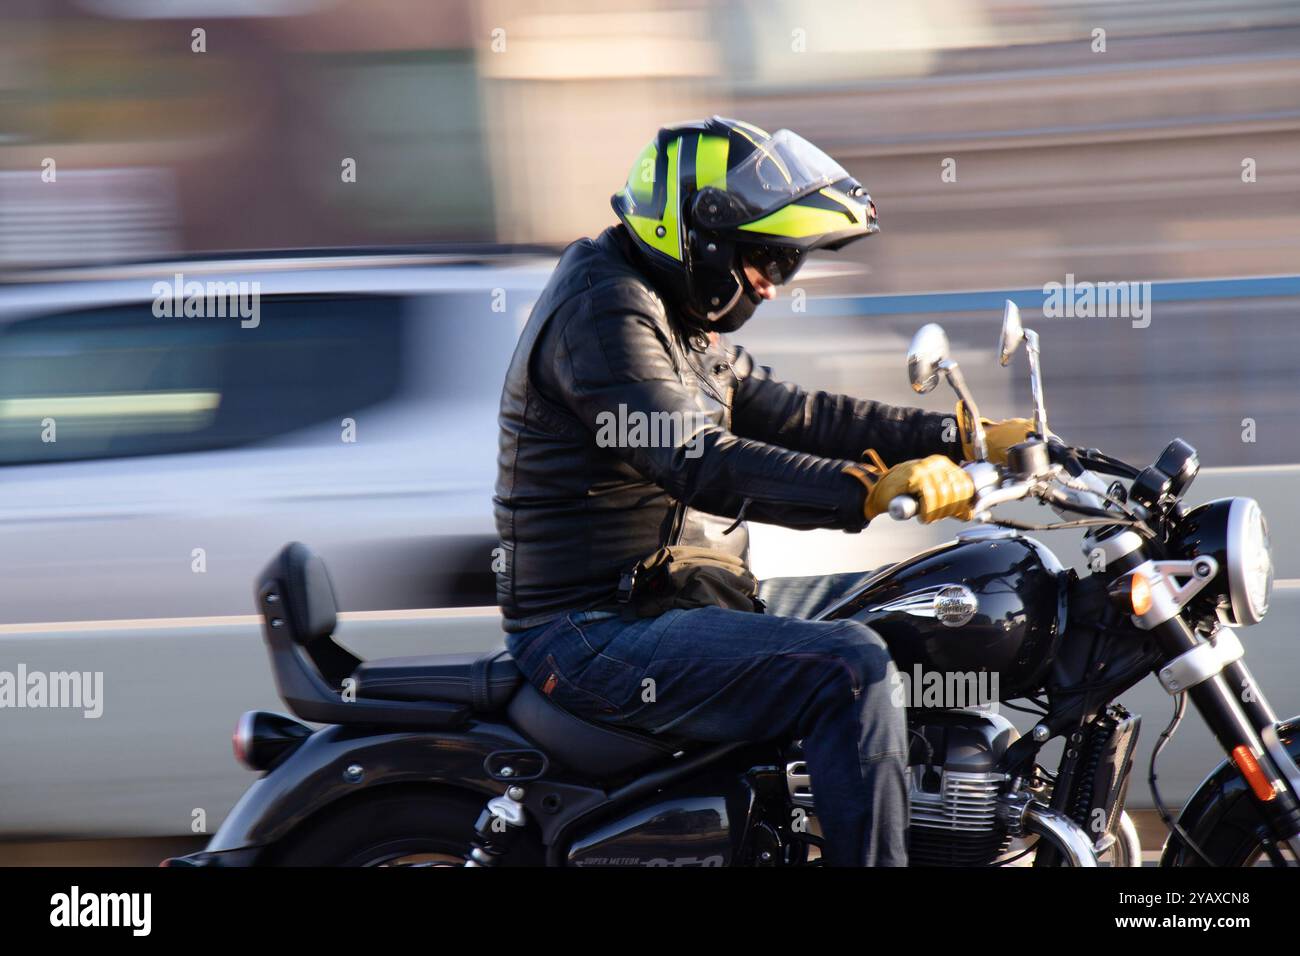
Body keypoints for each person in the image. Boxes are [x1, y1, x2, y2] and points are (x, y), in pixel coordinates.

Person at [493, 117, 1032, 865]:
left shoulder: (673, 312)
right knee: (851, 668)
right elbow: (695, 460)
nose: (774, 289)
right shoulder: (604, 311)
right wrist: (870, 494)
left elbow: (804, 415)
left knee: (939, 601)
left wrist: (963, 439)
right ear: (702, 237)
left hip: (691, 595)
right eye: (769, 261)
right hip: (596, 627)